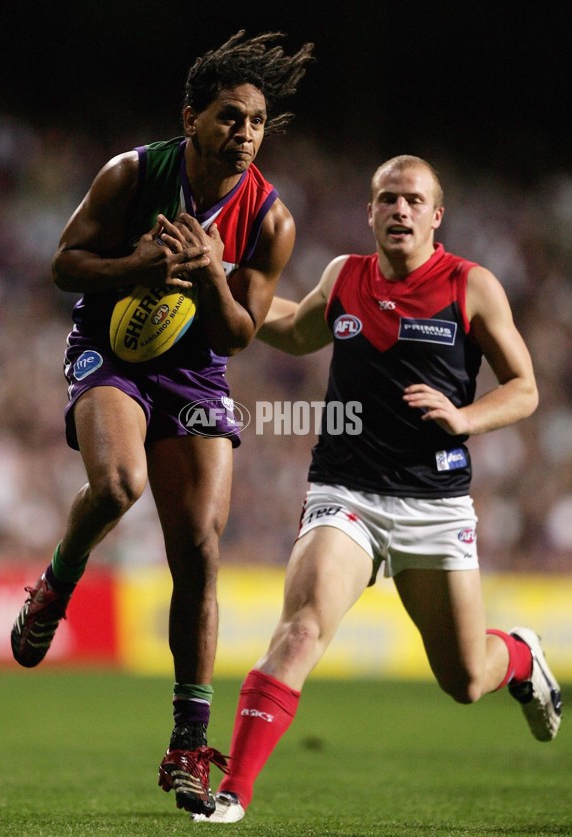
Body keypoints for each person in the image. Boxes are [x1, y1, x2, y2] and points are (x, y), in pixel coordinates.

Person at [192, 154, 563, 824]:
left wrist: (465, 416)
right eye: (388, 198)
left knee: (466, 680)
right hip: (347, 492)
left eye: (414, 200)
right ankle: (232, 791)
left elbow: (526, 387)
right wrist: (217, 281)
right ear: (370, 211)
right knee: (301, 630)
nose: (400, 210)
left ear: (436, 215)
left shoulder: (471, 287)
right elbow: (297, 327)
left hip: (434, 503)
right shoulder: (344, 276)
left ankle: (518, 653)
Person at [9, 30, 314, 818]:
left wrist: (210, 271)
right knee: (116, 484)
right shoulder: (134, 174)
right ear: (191, 117)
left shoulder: (269, 220)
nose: (243, 133)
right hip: (111, 346)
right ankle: (58, 580)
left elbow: (240, 334)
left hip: (193, 370)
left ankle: (186, 740)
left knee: (201, 548)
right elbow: (63, 264)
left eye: (255, 121)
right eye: (228, 117)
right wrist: (138, 268)